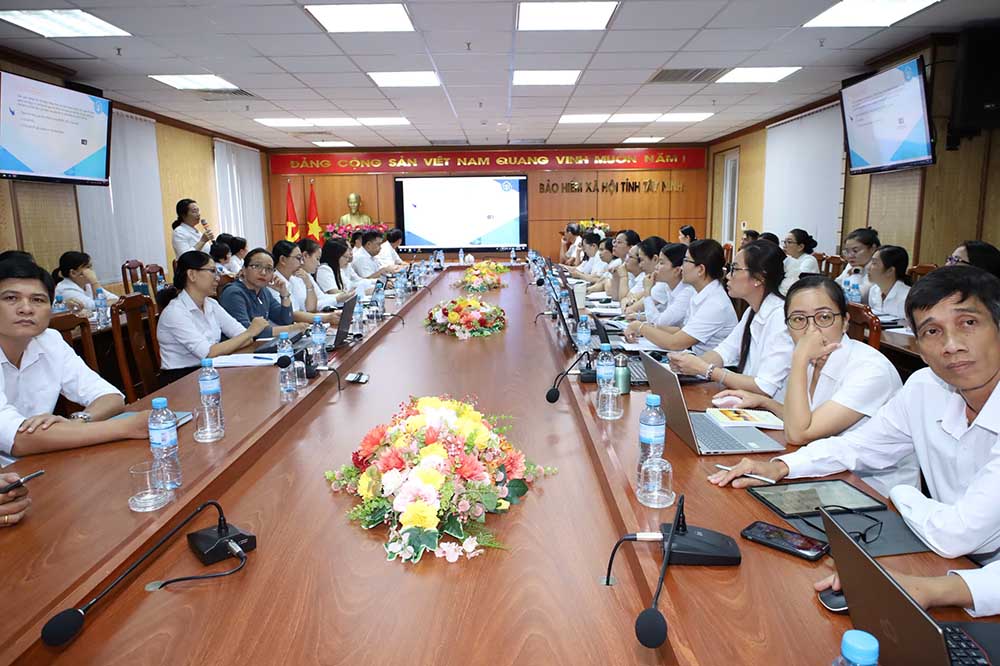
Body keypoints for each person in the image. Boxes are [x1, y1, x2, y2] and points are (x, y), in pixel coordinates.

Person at [709, 266, 1000, 563]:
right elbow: (856, 445)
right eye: (932, 331)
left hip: (959, 556)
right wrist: (780, 467)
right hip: (928, 541)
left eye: (968, 323)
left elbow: (958, 534)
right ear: (921, 348)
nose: (952, 346)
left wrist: (903, 495)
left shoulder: (873, 369)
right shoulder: (925, 386)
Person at [713, 276, 906, 492]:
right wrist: (764, 402)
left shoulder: (870, 370)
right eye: (798, 319)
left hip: (873, 488)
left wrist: (799, 358)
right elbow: (804, 420)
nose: (811, 330)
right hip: (820, 470)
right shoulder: (812, 360)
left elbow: (799, 433)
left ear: (845, 322)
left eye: (824, 317)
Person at [0, 258, 147, 457]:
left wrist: (78, 422)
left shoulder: (50, 341)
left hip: (43, 459)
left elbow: (111, 397)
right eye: (11, 298)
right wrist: (127, 427)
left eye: (38, 300)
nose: (26, 308)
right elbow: (19, 440)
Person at [666, 240, 794, 398]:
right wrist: (687, 364)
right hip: (747, 402)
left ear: (759, 278)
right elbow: (724, 352)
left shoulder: (780, 318)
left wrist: (706, 370)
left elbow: (765, 386)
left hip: (770, 415)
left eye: (734, 269)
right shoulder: (752, 311)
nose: (727, 276)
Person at [156, 251, 269, 383]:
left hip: (210, 370)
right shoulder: (175, 312)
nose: (218, 277)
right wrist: (250, 332)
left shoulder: (211, 304)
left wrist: (248, 335)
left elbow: (244, 337)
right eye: (212, 271)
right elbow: (207, 353)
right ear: (192, 275)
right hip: (181, 379)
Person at [624, 239, 737, 354]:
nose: (681, 267)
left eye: (686, 261)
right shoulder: (698, 293)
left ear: (701, 269)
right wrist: (646, 328)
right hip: (696, 360)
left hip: (709, 366)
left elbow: (674, 343)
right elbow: (681, 330)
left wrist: (640, 327)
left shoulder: (715, 304)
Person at [219, 248, 306, 339]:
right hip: (239, 351)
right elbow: (246, 332)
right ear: (244, 270)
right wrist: (291, 329)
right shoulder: (233, 293)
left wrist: (284, 293)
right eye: (256, 266)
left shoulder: (264, 291)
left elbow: (285, 320)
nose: (263, 273)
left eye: (269, 269)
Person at [270, 241, 340, 325]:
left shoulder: (294, 278)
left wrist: (308, 284)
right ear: (283, 260)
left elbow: (310, 308)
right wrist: (326, 318)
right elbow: (293, 314)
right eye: (298, 258)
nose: (302, 262)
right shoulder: (274, 282)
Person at [631, 242, 695, 328]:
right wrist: (639, 317)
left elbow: (658, 322)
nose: (656, 267)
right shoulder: (669, 287)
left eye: (661, 263)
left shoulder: (686, 292)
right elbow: (662, 318)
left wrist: (647, 291)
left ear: (677, 270)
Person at [52, 251, 120, 313]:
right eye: (87, 267)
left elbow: (116, 299)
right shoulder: (65, 289)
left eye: (91, 267)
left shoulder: (87, 284)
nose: (91, 271)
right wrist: (94, 281)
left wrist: (104, 302)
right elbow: (94, 306)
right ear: (73, 273)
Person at [623, 236, 667, 314]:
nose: (639, 265)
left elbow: (629, 310)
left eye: (641, 260)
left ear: (655, 259)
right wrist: (632, 301)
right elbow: (626, 298)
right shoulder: (648, 277)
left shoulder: (663, 284)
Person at [836, 227, 880, 304]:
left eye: (855, 251)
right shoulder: (853, 264)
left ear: (873, 248)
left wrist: (857, 273)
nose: (850, 256)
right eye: (847, 251)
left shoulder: (878, 267)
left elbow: (860, 296)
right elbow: (836, 284)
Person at [588, 229, 640, 295]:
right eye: (614, 242)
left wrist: (607, 282)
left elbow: (611, 290)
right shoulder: (619, 262)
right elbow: (602, 281)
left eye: (619, 242)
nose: (614, 245)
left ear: (632, 247)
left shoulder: (634, 266)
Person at [867, 245, 912, 320]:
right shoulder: (874, 290)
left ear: (890, 271)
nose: (868, 267)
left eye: (874, 263)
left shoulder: (907, 298)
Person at [297, 238, 342, 310]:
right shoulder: (294, 277)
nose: (318, 264)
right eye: (317, 259)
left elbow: (321, 297)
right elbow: (310, 307)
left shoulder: (307, 274)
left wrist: (343, 296)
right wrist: (338, 298)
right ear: (305, 255)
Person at [780, 229, 821, 295]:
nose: (784, 245)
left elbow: (796, 282)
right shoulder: (788, 259)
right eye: (784, 242)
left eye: (789, 242)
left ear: (800, 247)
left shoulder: (809, 260)